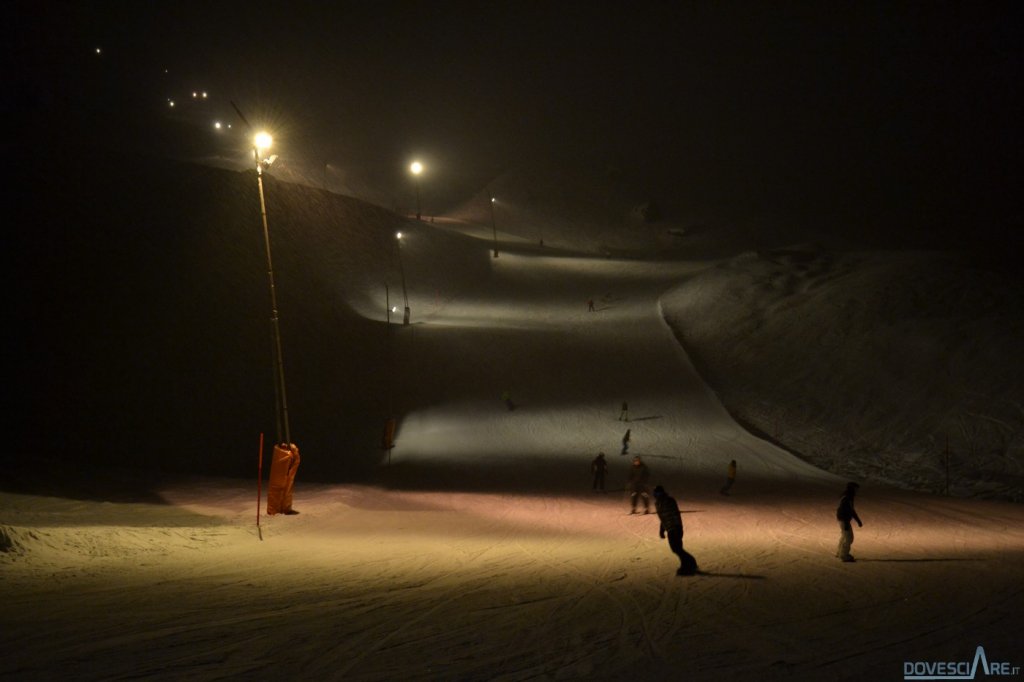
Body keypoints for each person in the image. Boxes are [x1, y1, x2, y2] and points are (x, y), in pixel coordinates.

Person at [654, 485, 696, 575]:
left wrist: (677, 527)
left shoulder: (669, 501)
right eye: (656, 494)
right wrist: (662, 529)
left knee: (677, 548)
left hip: (675, 528)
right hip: (669, 528)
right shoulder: (657, 504)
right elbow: (663, 518)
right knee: (676, 549)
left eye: (659, 493)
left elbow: (675, 514)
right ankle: (690, 564)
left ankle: (688, 565)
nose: (658, 495)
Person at [835, 482, 863, 562]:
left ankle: (840, 552)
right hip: (844, 519)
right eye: (856, 489)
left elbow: (850, 510)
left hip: (842, 518)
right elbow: (845, 510)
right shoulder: (847, 497)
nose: (857, 491)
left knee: (844, 535)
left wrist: (858, 520)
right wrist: (847, 522)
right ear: (852, 488)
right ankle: (844, 555)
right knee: (849, 537)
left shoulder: (847, 496)